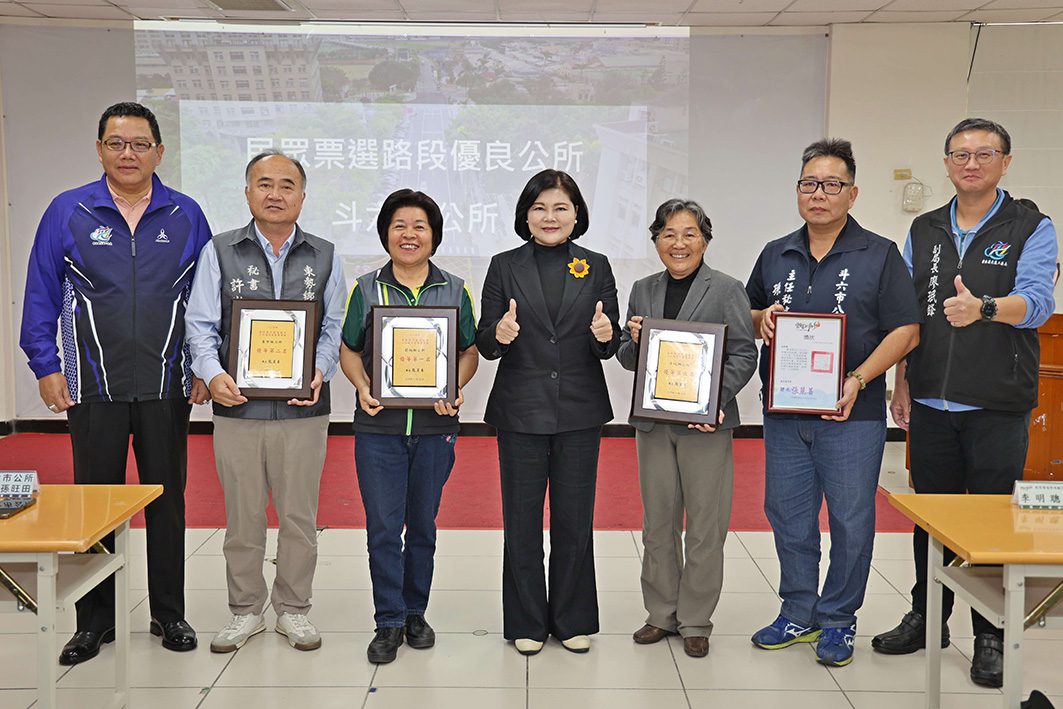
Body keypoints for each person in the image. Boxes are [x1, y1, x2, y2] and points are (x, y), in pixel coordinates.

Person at [20, 102, 211, 664]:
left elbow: (204, 301)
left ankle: (168, 613)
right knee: (92, 504)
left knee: (167, 501)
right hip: (92, 385)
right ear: (99, 148)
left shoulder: (185, 214)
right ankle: (93, 620)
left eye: (139, 143)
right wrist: (46, 365)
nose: (128, 154)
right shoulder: (68, 211)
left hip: (166, 383)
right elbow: (41, 293)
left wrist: (205, 364)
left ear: (159, 150)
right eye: (116, 143)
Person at [872, 118, 1058, 688]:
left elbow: (1038, 304)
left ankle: (991, 634)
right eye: (960, 154)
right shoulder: (924, 228)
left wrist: (983, 308)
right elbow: (908, 315)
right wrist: (902, 380)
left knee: (992, 522)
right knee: (932, 516)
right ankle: (927, 617)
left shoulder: (1031, 225)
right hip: (930, 399)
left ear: (1006, 161)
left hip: (996, 401)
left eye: (984, 153)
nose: (971, 163)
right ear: (947, 163)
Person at [746, 139, 920, 667]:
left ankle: (839, 620)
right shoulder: (776, 251)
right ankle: (798, 611)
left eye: (831, 184)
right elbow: (749, 315)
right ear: (797, 191)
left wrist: (861, 379)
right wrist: (762, 321)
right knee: (788, 515)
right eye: (809, 184)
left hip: (853, 414)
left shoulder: (880, 253)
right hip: (783, 413)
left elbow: (907, 331)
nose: (818, 194)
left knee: (850, 519)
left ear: (852, 192)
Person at [184, 150, 347, 654]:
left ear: (302, 194)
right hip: (238, 410)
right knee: (243, 517)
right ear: (247, 191)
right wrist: (213, 376)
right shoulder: (220, 251)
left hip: (303, 411)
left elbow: (335, 323)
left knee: (300, 516)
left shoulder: (325, 253)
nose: (275, 194)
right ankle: (245, 610)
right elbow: (200, 324)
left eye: (286, 185)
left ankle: (294, 610)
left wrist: (318, 370)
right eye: (264, 184)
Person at [476, 169, 620, 656]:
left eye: (560, 208)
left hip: (580, 411)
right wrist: (499, 335)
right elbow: (484, 340)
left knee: (574, 520)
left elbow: (610, 338)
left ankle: (572, 618)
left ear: (576, 213)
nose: (550, 217)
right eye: (540, 208)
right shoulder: (503, 265)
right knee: (520, 521)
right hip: (520, 411)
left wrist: (607, 337)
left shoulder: (596, 265)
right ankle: (527, 621)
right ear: (526, 215)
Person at [339, 188, 479, 665]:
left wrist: (454, 389)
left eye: (420, 226)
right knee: (382, 528)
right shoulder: (365, 288)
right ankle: (389, 621)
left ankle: (416, 612)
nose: (409, 234)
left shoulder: (456, 289)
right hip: (379, 428)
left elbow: (467, 351)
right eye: (399, 225)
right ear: (385, 233)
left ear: (434, 235)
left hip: (435, 428)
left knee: (422, 525)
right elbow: (349, 349)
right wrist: (360, 386)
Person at [616, 199, 757, 658]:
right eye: (669, 234)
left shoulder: (728, 289)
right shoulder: (642, 289)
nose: (679, 243)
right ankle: (660, 613)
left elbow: (743, 354)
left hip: (706, 426)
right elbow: (627, 357)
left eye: (689, 234)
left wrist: (714, 402)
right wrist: (633, 342)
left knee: (704, 525)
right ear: (656, 240)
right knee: (657, 522)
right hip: (654, 424)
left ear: (705, 240)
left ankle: (695, 619)